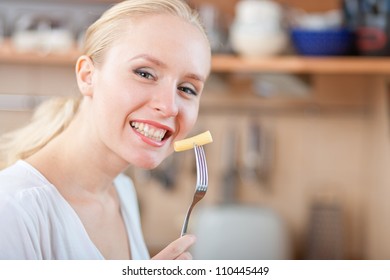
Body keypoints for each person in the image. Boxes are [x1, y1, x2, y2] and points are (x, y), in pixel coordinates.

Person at [0, 0, 211, 260]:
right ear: (88, 76)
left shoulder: (121, 192)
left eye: (187, 89)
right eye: (145, 73)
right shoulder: (11, 209)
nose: (169, 107)